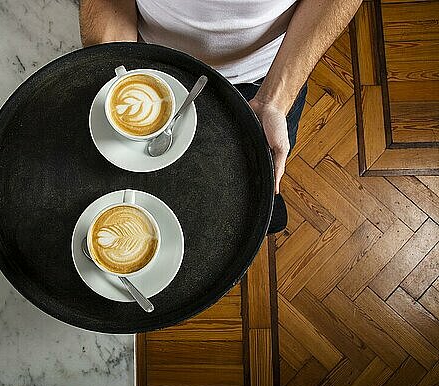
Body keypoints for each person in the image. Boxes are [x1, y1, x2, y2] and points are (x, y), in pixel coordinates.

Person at [79, 0, 362, 234]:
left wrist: (274, 100)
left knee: (245, 202)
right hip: (146, 71)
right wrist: (116, 68)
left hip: (265, 81)